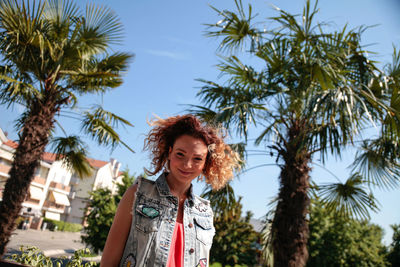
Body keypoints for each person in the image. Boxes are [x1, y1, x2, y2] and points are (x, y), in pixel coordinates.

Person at [100, 114, 240, 267]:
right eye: (180, 154)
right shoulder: (138, 194)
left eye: (197, 159)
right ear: (169, 152)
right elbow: (108, 262)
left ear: (206, 163)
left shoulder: (204, 211)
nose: (187, 164)